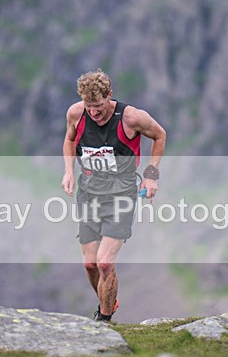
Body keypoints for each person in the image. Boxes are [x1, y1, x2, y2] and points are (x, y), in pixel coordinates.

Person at [61, 69, 167, 322]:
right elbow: (69, 139)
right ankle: (108, 300)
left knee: (105, 263)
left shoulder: (131, 117)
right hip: (89, 193)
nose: (94, 113)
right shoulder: (76, 113)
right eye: (89, 106)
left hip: (121, 194)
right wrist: (69, 172)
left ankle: (105, 321)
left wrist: (152, 174)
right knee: (90, 265)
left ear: (110, 95)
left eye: (98, 106)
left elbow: (160, 135)